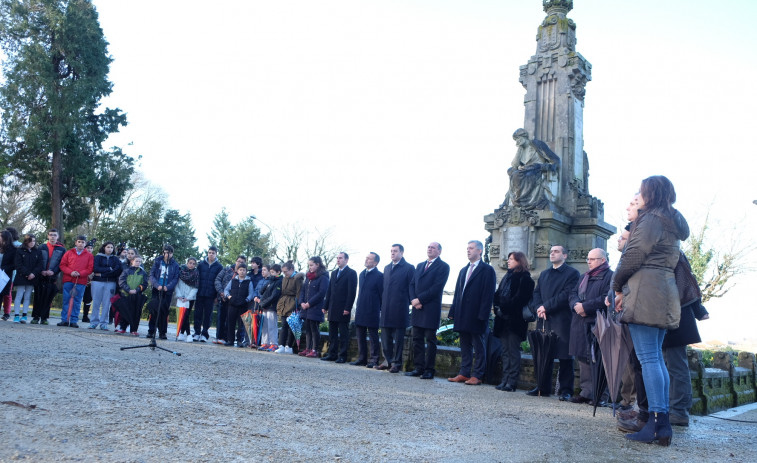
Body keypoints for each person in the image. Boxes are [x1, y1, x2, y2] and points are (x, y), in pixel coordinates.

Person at [613, 175, 689, 446]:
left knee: (649, 359)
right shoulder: (672, 220)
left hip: (646, 289)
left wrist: (617, 283)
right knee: (655, 358)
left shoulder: (651, 219)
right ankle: (662, 423)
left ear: (652, 194)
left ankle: (657, 424)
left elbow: (633, 255)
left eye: (642, 192)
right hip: (664, 289)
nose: (638, 197)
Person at [528, 245, 580, 398]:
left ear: (565, 255)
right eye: (551, 251)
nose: (552, 254)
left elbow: (566, 294)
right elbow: (536, 293)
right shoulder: (544, 274)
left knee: (565, 357)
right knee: (543, 354)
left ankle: (566, 390)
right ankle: (542, 387)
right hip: (544, 318)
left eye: (556, 251)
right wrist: (538, 307)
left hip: (562, 320)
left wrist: (546, 306)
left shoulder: (572, 273)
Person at [663, 252, 709, 427]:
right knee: (669, 364)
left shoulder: (672, 252)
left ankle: (679, 411)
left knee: (676, 366)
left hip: (676, 317)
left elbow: (687, 284)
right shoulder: (671, 252)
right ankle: (672, 409)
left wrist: (699, 310)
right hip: (668, 314)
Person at [447, 240, 496, 385]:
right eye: (467, 248)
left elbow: (488, 294)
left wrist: (483, 315)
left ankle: (478, 375)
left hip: (477, 315)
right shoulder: (463, 270)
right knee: (465, 345)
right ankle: (464, 373)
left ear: (480, 251)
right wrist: (453, 311)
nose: (468, 250)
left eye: (471, 248)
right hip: (462, 314)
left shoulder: (487, 270)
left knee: (479, 346)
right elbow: (458, 293)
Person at [567, 248, 613, 405]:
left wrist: (585, 307)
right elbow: (572, 294)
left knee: (600, 359)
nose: (589, 261)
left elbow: (606, 298)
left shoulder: (610, 276)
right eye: (588, 259)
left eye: (593, 259)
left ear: (603, 260)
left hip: (597, 322)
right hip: (580, 322)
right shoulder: (583, 277)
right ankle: (586, 392)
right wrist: (576, 305)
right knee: (583, 358)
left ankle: (601, 395)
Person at [407, 242, 450, 379]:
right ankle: (418, 367)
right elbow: (412, 284)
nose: (430, 249)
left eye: (433, 247)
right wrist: (413, 300)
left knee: (430, 340)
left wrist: (420, 300)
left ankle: (429, 370)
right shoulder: (420, 265)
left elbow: (437, 287)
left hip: (430, 308)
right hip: (417, 308)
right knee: (417, 339)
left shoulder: (443, 266)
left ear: (439, 251)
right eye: (428, 247)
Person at [492, 251, 534, 391]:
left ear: (519, 261)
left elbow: (520, 299)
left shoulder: (526, 279)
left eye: (511, 259)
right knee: (505, 351)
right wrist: (497, 308)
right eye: (508, 258)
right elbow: (497, 294)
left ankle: (512, 381)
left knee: (513, 351)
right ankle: (505, 379)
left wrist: (504, 308)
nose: (508, 261)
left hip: (515, 321)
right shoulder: (507, 276)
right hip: (503, 320)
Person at [377, 244, 414, 373]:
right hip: (386, 308)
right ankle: (387, 361)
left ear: (402, 253)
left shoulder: (409, 268)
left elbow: (411, 287)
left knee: (398, 340)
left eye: (395, 251)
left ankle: (396, 364)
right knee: (385, 338)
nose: (392, 253)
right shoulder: (386, 268)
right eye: (391, 251)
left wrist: (405, 302)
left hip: (400, 309)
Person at [322, 252, 357, 363]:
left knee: (343, 334)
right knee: (332, 333)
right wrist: (325, 305)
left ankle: (342, 356)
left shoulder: (351, 273)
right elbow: (329, 290)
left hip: (343, 308)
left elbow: (351, 292)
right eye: (337, 258)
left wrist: (348, 308)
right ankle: (332, 354)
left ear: (346, 260)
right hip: (332, 307)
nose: (338, 260)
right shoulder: (334, 273)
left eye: (340, 258)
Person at [350, 252, 383, 368]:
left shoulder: (380, 276)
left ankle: (374, 359)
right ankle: (362, 358)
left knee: (373, 336)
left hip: (373, 309)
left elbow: (381, 294)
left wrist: (380, 309)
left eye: (369, 259)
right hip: (361, 308)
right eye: (366, 258)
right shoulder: (362, 274)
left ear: (375, 262)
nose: (366, 260)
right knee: (360, 335)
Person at [58, 235, 94, 328]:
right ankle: (64, 320)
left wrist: (80, 273)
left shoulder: (89, 255)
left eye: (82, 242)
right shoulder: (69, 253)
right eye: (79, 242)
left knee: (77, 301)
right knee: (66, 300)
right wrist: (71, 272)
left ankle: (74, 320)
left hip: (81, 281)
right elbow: (62, 265)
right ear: (76, 242)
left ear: (85, 244)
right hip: (68, 279)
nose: (80, 244)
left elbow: (90, 268)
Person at [31, 229, 66, 324]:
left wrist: (53, 272)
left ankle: (44, 318)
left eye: (55, 235)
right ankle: (35, 317)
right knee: (38, 298)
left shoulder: (61, 249)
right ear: (48, 236)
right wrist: (41, 270)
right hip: (40, 276)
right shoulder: (41, 247)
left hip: (52, 277)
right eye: (51, 235)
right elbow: (37, 261)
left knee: (48, 298)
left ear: (57, 237)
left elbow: (62, 263)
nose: (52, 237)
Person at [146, 245, 180, 340]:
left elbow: (175, 278)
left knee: (164, 312)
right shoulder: (157, 262)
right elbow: (151, 275)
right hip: (157, 290)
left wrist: (167, 287)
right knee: (154, 311)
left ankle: (162, 332)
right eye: (165, 252)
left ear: (172, 254)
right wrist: (157, 285)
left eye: (169, 253)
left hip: (167, 291)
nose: (167, 254)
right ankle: (151, 331)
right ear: (163, 253)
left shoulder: (175, 265)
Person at [298, 256, 329, 358]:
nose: (310, 267)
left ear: (317, 264)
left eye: (311, 265)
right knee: (308, 328)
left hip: (315, 307)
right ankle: (307, 348)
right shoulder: (308, 277)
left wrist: (309, 303)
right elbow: (303, 290)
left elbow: (321, 293)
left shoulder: (323, 277)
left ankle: (314, 349)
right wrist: (301, 302)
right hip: (306, 308)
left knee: (314, 328)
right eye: (309, 265)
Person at [214, 255, 247, 344]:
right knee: (220, 318)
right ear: (235, 261)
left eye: (242, 262)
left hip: (234, 301)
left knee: (230, 321)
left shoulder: (244, 275)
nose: (240, 263)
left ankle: (228, 338)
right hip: (222, 297)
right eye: (238, 261)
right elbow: (217, 280)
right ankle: (219, 337)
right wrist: (221, 292)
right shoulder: (226, 270)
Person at [89, 241, 122, 330]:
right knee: (96, 303)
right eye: (108, 247)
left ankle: (104, 323)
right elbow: (95, 268)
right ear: (104, 247)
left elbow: (116, 271)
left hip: (110, 283)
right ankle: (93, 322)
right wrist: (109, 269)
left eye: (111, 247)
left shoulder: (115, 259)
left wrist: (102, 274)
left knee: (107, 304)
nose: (110, 249)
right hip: (97, 282)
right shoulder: (98, 257)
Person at [193, 246, 223, 342]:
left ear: (216, 254)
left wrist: (216, 296)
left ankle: (204, 334)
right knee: (197, 314)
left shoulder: (219, 267)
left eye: (213, 253)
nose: (211, 254)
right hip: (200, 293)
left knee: (208, 315)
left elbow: (219, 282)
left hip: (211, 295)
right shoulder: (201, 264)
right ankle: (197, 333)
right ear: (207, 253)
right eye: (209, 252)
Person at [274, 261, 304, 354]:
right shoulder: (284, 278)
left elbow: (299, 293)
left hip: (293, 303)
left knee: (291, 326)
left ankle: (289, 346)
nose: (284, 273)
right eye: (283, 272)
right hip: (284, 303)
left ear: (291, 270)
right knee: (284, 325)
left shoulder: (298, 279)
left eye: (286, 271)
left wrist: (298, 306)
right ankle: (282, 345)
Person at [222, 263, 255, 347]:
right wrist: (229, 297)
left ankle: (239, 340)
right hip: (232, 304)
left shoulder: (249, 282)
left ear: (246, 271)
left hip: (243, 305)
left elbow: (251, 294)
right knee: (230, 323)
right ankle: (230, 340)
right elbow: (226, 290)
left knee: (241, 324)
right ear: (237, 271)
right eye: (240, 270)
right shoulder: (233, 280)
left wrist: (246, 300)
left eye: (244, 270)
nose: (242, 272)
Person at [12, 234, 42, 324]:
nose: (32, 243)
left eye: (33, 241)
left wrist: (33, 273)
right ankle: (16, 315)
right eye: (30, 241)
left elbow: (40, 264)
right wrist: (27, 273)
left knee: (27, 296)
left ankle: (24, 315)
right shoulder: (19, 251)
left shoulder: (37, 251)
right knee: (19, 295)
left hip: (33, 277)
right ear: (26, 241)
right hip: (22, 276)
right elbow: (18, 264)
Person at [116, 255, 147, 335]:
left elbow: (144, 284)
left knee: (136, 313)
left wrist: (137, 290)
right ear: (132, 261)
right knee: (125, 312)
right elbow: (122, 281)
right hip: (126, 294)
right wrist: (128, 290)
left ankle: (134, 330)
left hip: (136, 295)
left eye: (140, 261)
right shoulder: (126, 271)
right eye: (136, 261)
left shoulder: (143, 272)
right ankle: (123, 327)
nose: (138, 263)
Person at [258, 264, 283, 351]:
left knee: (272, 326)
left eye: (273, 272)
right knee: (265, 326)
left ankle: (273, 343)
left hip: (272, 307)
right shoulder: (271, 281)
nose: (271, 274)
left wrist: (263, 303)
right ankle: (265, 342)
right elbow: (262, 291)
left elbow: (274, 296)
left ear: (278, 272)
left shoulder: (279, 281)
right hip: (266, 306)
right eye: (270, 272)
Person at [175, 257, 199, 342]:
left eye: (193, 263)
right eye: (190, 263)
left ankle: (187, 334)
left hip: (189, 299)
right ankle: (182, 333)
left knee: (186, 316)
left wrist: (188, 298)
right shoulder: (180, 271)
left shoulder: (196, 273)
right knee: (182, 316)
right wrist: (179, 295)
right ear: (187, 263)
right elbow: (176, 285)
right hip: (180, 297)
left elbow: (195, 287)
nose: (191, 265)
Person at [0, 230, 17, 321]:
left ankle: (6, 313)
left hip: (5, 276)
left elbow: (15, 265)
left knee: (3, 295)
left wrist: (3, 268)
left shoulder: (13, 250)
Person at [80, 240, 96, 323]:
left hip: (90, 282)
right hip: (81, 280)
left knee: (88, 300)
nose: (89, 249)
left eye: (91, 248)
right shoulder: (81, 256)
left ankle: (85, 316)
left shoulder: (94, 258)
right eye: (88, 248)